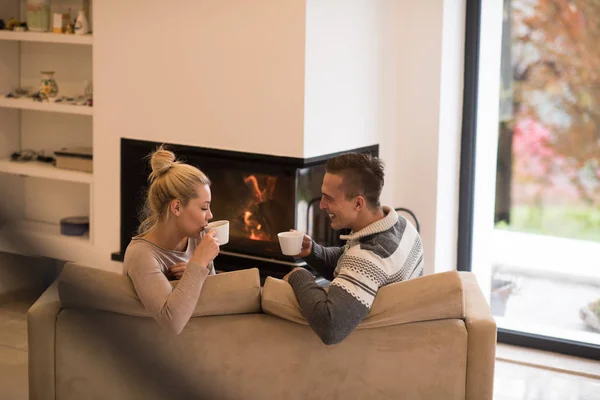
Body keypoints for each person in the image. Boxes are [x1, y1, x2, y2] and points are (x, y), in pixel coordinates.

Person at [283, 152, 423, 345]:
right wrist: (313, 252)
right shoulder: (402, 225)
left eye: (328, 198)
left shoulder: (368, 257)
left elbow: (330, 326)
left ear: (358, 203)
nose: (322, 205)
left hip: (371, 349)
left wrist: (299, 275)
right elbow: (350, 262)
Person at [123, 146, 220, 335]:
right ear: (176, 207)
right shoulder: (141, 255)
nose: (210, 215)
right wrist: (199, 262)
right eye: (203, 208)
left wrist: (197, 271)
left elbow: (214, 306)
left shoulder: (197, 238)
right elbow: (172, 322)